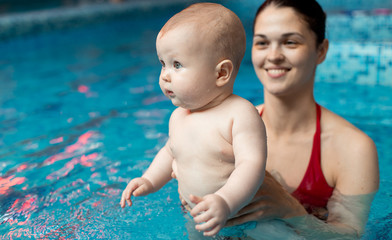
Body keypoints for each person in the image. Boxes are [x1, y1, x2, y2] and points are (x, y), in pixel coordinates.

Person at [215, 0, 379, 239]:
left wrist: (291, 210)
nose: (273, 56)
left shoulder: (353, 149)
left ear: (320, 50)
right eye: (262, 43)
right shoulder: (227, 127)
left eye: (290, 42)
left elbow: (350, 235)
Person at [120, 2, 267, 237]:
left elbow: (252, 165)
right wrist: (148, 180)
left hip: (242, 217)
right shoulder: (178, 116)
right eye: (162, 64)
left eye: (177, 65)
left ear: (221, 73)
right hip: (195, 215)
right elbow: (170, 153)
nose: (165, 75)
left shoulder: (239, 114)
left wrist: (225, 201)